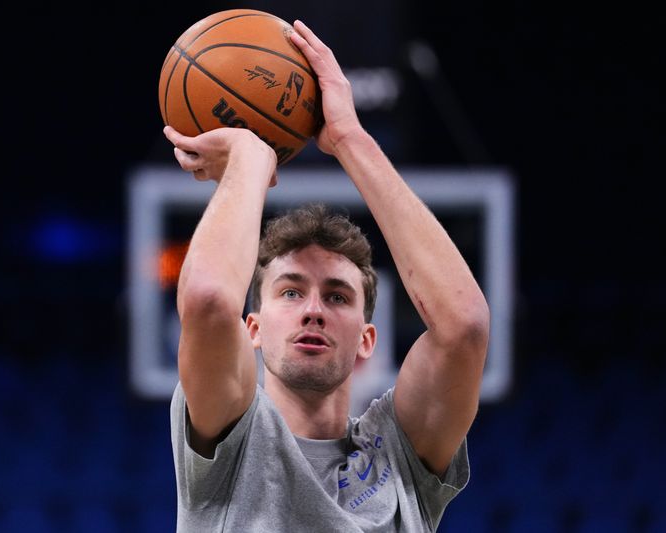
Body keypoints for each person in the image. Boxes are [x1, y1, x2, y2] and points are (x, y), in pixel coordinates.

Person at [163, 19, 489, 532]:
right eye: (290, 291)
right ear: (251, 328)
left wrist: (349, 138)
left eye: (337, 297)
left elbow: (464, 325)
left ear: (366, 340)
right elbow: (206, 300)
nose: (313, 309)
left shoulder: (397, 458)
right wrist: (251, 156)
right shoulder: (231, 438)